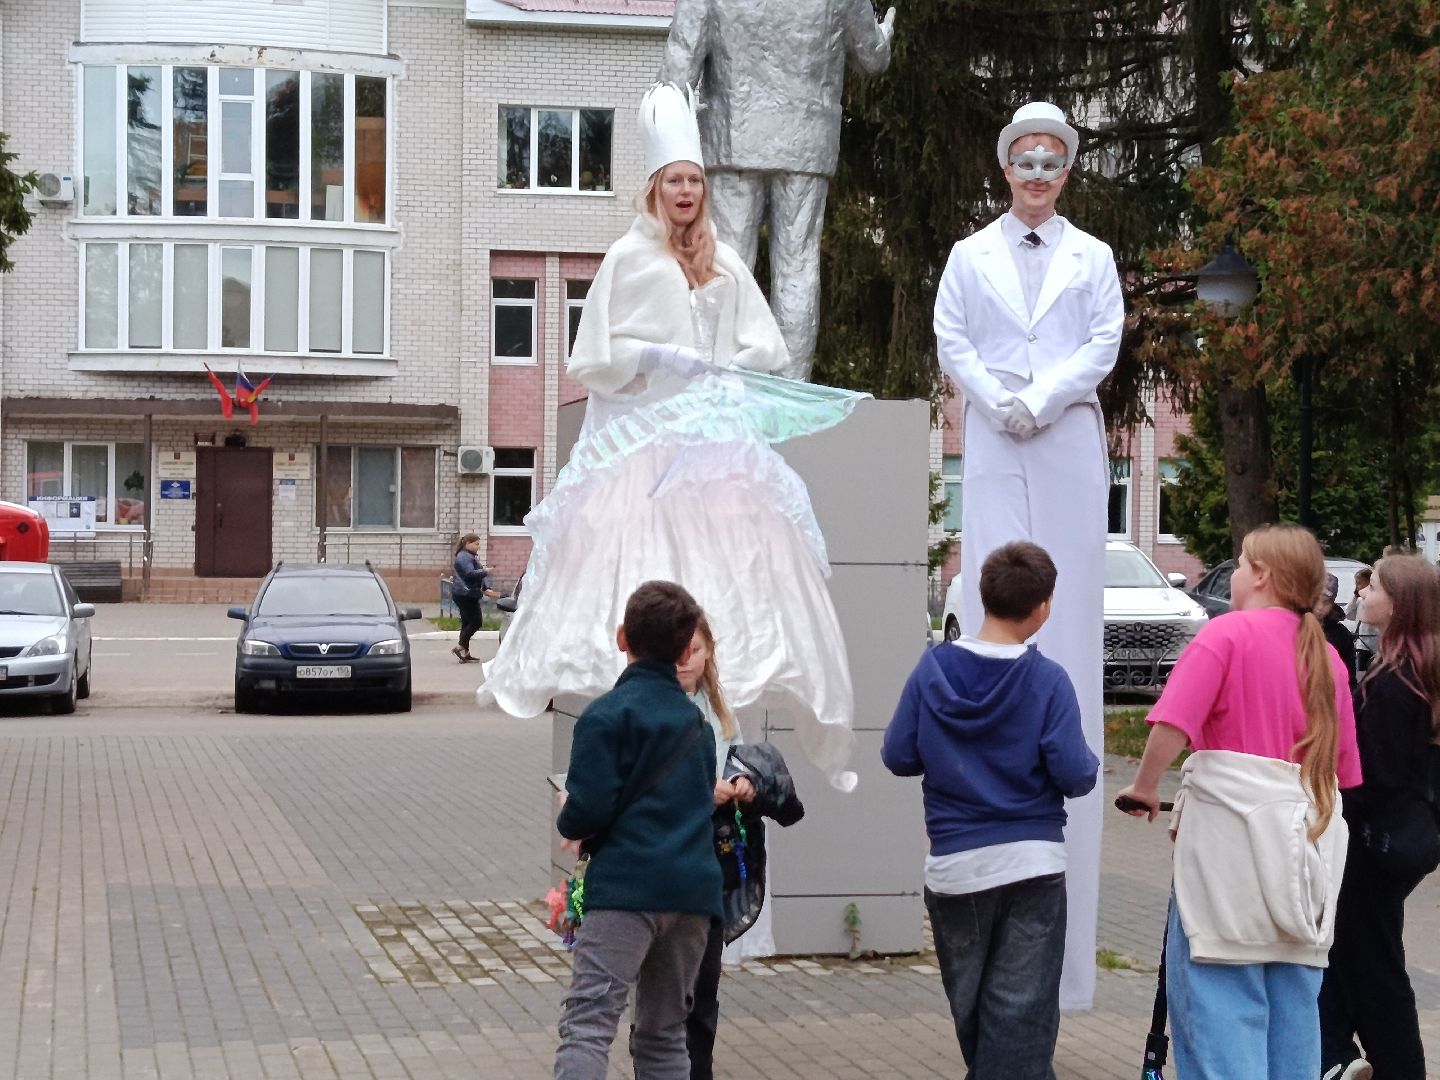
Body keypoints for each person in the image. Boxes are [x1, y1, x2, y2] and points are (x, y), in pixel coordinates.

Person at [478, 83, 866, 791]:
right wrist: (651, 358)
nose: (686, 191)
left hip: (715, 453)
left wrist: (719, 367)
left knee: (734, 584)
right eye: (675, 180)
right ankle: (645, 741)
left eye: (695, 180)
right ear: (655, 186)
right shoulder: (627, 259)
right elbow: (590, 359)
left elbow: (765, 346)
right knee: (645, 575)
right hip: (644, 451)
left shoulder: (724, 259)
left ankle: (717, 737)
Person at [932, 100, 1124, 1009]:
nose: (1038, 174)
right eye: (1025, 160)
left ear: (1067, 171)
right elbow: (953, 338)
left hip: (1065, 433)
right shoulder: (970, 256)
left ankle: (1072, 956)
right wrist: (994, 398)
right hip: (998, 434)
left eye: (1053, 161)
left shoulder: (1095, 257)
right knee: (994, 588)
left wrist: (1044, 396)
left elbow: (1103, 341)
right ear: (1006, 166)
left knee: (1069, 607)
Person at [1116, 524, 1363, 1080]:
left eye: (1244, 562)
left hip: (1227, 848)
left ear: (1263, 575)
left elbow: (1172, 723)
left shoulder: (1224, 636)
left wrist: (1146, 786)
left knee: (1218, 1006)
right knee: (1294, 1008)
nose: (1238, 572)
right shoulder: (1328, 660)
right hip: (1306, 854)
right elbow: (1344, 773)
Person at [881, 541, 1099, 1079]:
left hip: (956, 865)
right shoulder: (1048, 681)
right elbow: (1075, 774)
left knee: (976, 1010)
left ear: (982, 596)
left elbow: (897, 754)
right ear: (1043, 607)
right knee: (1020, 1014)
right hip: (1031, 864)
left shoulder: (932, 671)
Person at [661, 0, 896, 380]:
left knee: (727, 264)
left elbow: (677, 71)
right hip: (806, 141)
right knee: (798, 267)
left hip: (732, 141)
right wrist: (885, 33)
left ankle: (719, 381)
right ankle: (792, 387)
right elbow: (872, 58)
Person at [553, 580, 721, 1079]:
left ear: (622, 637)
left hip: (626, 890)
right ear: (686, 645)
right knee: (665, 1034)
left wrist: (568, 809)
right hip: (692, 896)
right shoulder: (698, 727)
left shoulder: (606, 716)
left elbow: (586, 812)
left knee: (588, 1023)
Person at [1319, 554, 1440, 1080]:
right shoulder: (1418, 670)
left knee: (1372, 960)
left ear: (1400, 604)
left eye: (1374, 588)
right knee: (1350, 950)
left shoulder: (1396, 683)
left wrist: (1329, 800)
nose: (1362, 593)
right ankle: (1338, 1058)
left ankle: (1395, 1067)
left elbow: (1378, 775)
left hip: (1378, 840)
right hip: (1404, 839)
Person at [672, 613, 753, 1079]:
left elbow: (738, 753)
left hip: (710, 866)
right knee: (665, 996)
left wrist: (741, 781)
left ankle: (698, 1070)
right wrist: (707, 792)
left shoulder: (717, 708)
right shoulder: (654, 708)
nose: (687, 660)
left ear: (709, 654)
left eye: (697, 650)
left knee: (704, 991)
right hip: (668, 869)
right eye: (679, 650)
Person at [450, 533, 498, 664]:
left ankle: (465, 653)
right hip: (465, 594)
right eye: (476, 544)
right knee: (476, 621)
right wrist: (486, 571)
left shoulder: (468, 556)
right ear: (468, 544)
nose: (478, 546)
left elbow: (477, 574)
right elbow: (470, 574)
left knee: (467, 622)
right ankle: (460, 647)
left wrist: (486, 586)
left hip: (466, 593)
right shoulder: (464, 557)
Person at [1318, 572, 1357, 692]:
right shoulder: (1291, 627)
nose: (1319, 607)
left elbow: (1350, 679)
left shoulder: (1341, 635)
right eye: (1315, 599)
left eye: (1326, 602)